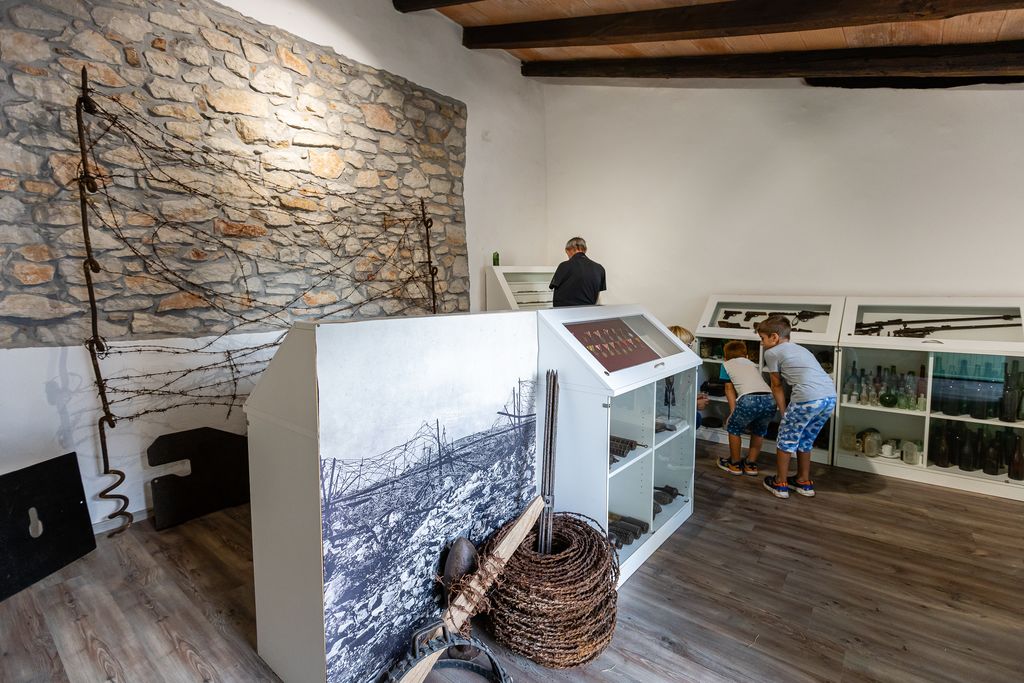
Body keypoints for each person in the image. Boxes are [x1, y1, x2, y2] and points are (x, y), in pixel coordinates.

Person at [757, 316, 836, 499]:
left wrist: (783, 411)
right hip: (829, 397)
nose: (761, 343)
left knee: (785, 440)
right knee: (806, 439)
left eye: (762, 338)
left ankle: (780, 483)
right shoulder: (801, 349)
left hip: (806, 398)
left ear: (774, 337)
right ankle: (803, 481)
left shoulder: (772, 353)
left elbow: (776, 385)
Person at [717, 340, 776, 477]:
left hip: (749, 399)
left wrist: (733, 411)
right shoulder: (751, 363)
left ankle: (735, 464)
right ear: (746, 356)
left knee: (733, 428)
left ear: (725, 357)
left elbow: (729, 388)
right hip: (770, 399)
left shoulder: (726, 365)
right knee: (759, 430)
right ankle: (750, 464)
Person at [549, 237, 606, 307]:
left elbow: (552, 286)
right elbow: (597, 294)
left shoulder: (564, 266)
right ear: (585, 250)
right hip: (589, 311)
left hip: (564, 311)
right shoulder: (599, 268)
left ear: (568, 250)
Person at [669, 326, 708, 427]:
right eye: (688, 345)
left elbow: (677, 395)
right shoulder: (668, 370)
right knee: (696, 419)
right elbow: (664, 404)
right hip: (662, 414)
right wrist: (694, 404)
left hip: (671, 410)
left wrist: (693, 398)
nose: (691, 349)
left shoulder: (678, 367)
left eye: (691, 345)